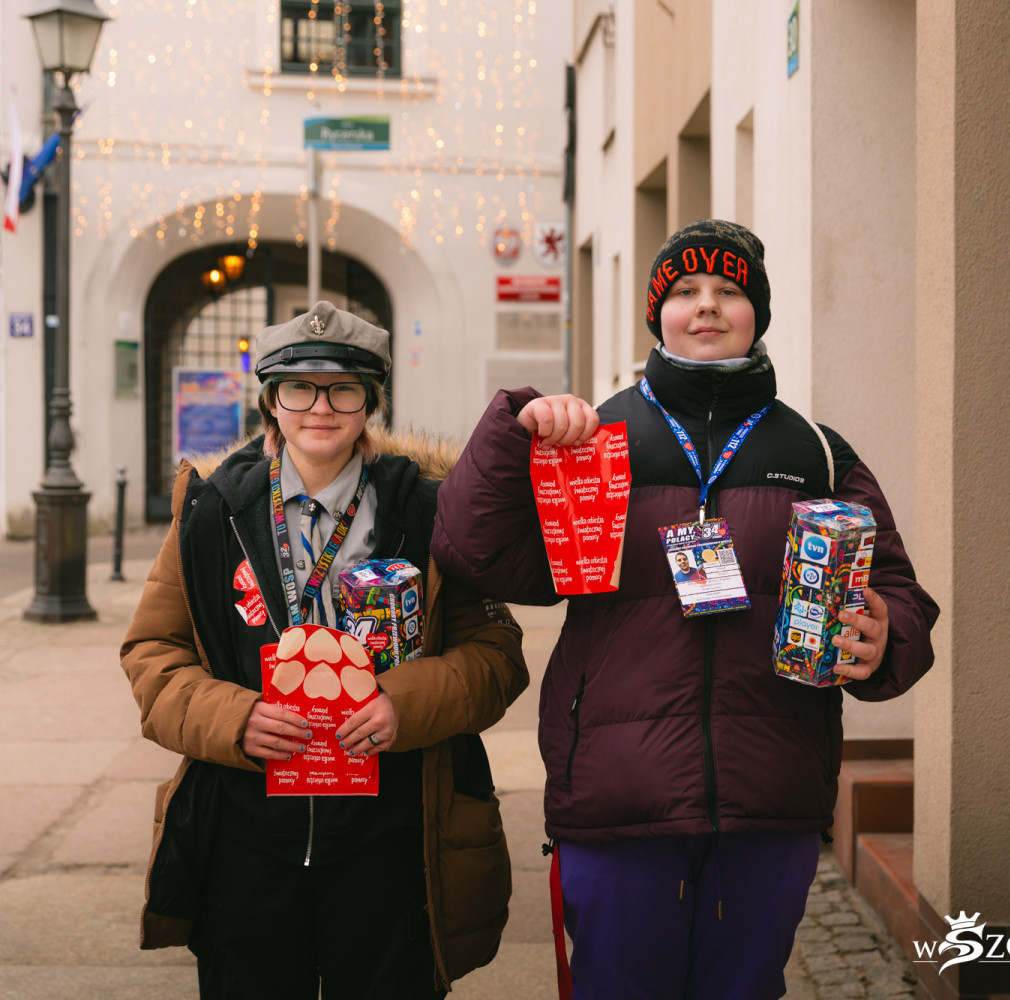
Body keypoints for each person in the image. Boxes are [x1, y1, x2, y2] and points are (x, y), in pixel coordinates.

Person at [431, 220, 939, 1000]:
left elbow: (898, 592)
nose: (706, 305)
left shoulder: (816, 453)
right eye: (685, 291)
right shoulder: (593, 440)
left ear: (757, 313)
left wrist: (885, 637)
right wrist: (512, 435)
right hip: (617, 791)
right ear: (656, 314)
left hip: (770, 791)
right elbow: (476, 554)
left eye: (729, 290)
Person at [120, 301, 530, 999]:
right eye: (299, 388)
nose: (321, 407)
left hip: (393, 831)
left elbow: (495, 654)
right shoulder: (211, 512)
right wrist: (235, 719)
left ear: (370, 403)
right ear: (270, 402)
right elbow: (152, 653)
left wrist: (402, 705)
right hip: (247, 831)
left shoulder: (431, 510)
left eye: (344, 389)